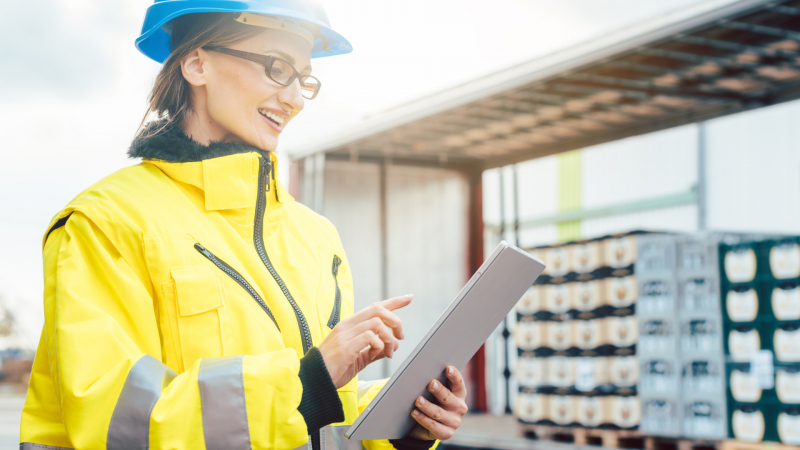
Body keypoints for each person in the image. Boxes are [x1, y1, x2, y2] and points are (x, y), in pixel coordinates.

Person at [19, 1, 469, 449]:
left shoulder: (315, 237)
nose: (294, 98)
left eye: (304, 79)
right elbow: (115, 422)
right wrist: (306, 384)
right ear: (197, 63)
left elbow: (321, 423)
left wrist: (403, 423)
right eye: (277, 68)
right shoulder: (105, 223)